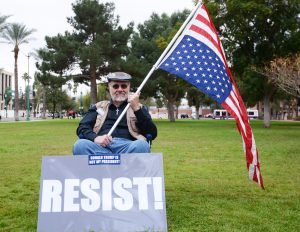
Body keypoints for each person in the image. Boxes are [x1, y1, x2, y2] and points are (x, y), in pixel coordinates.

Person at [73, 72, 157, 155]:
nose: (120, 89)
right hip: (101, 147)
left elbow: (152, 133)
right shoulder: (98, 107)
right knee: (80, 145)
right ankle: (119, 163)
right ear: (109, 88)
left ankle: (108, 163)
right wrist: (95, 138)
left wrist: (137, 109)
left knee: (142, 145)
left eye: (124, 86)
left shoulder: (139, 108)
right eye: (115, 86)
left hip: (128, 147)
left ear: (129, 88)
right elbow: (82, 127)